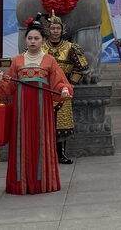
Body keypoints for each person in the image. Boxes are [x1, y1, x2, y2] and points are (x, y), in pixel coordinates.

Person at [0, 15, 73, 195]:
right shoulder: (17, 60)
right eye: (30, 38)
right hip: (21, 110)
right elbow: (9, 88)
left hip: (42, 110)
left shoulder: (49, 60)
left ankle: (43, 183)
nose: (33, 41)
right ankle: (20, 184)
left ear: (43, 40)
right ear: (25, 40)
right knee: (21, 141)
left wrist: (64, 89)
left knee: (41, 140)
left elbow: (59, 81)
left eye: (36, 38)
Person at [42, 12, 88, 165]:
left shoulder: (70, 47)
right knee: (42, 123)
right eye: (52, 28)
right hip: (43, 90)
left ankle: (60, 154)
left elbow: (81, 67)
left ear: (62, 30)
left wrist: (71, 84)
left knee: (62, 124)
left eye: (57, 28)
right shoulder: (40, 48)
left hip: (63, 91)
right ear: (48, 30)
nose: (55, 31)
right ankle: (44, 154)